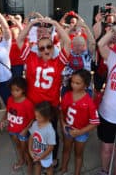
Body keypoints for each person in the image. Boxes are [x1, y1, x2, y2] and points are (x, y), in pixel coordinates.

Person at [17, 17, 70, 167]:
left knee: (52, 134)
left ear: (53, 46)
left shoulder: (59, 61)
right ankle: (36, 155)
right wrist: (31, 24)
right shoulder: (31, 58)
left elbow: (67, 42)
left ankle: (51, 158)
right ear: (38, 50)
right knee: (34, 133)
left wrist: (55, 24)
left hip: (50, 106)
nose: (46, 49)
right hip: (33, 105)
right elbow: (20, 39)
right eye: (42, 48)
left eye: (49, 46)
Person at [96, 12, 116, 175]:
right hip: (108, 115)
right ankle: (103, 171)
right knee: (106, 148)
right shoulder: (114, 59)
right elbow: (101, 43)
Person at [60, 69, 99, 175]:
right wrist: (63, 124)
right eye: (72, 82)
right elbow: (62, 112)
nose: (73, 85)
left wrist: (80, 132)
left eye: (77, 83)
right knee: (66, 150)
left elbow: (95, 122)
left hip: (81, 132)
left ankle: (77, 173)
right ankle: (63, 169)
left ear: (85, 85)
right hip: (68, 130)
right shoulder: (67, 95)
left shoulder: (89, 102)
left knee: (78, 154)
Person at [0, 77, 34, 174]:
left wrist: (26, 130)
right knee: (18, 147)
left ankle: (30, 163)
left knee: (26, 149)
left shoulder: (27, 104)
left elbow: (32, 118)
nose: (14, 93)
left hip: (22, 132)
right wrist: (3, 119)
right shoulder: (10, 99)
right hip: (12, 129)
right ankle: (22, 160)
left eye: (17, 90)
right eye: (12, 90)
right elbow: (8, 110)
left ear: (23, 90)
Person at [28, 101, 56, 175]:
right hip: (36, 154)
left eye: (39, 117)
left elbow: (50, 147)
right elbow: (31, 137)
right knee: (37, 165)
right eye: (36, 116)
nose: (36, 118)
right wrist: (30, 150)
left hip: (46, 156)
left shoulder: (50, 131)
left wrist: (41, 157)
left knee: (48, 168)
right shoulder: (35, 124)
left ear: (47, 117)